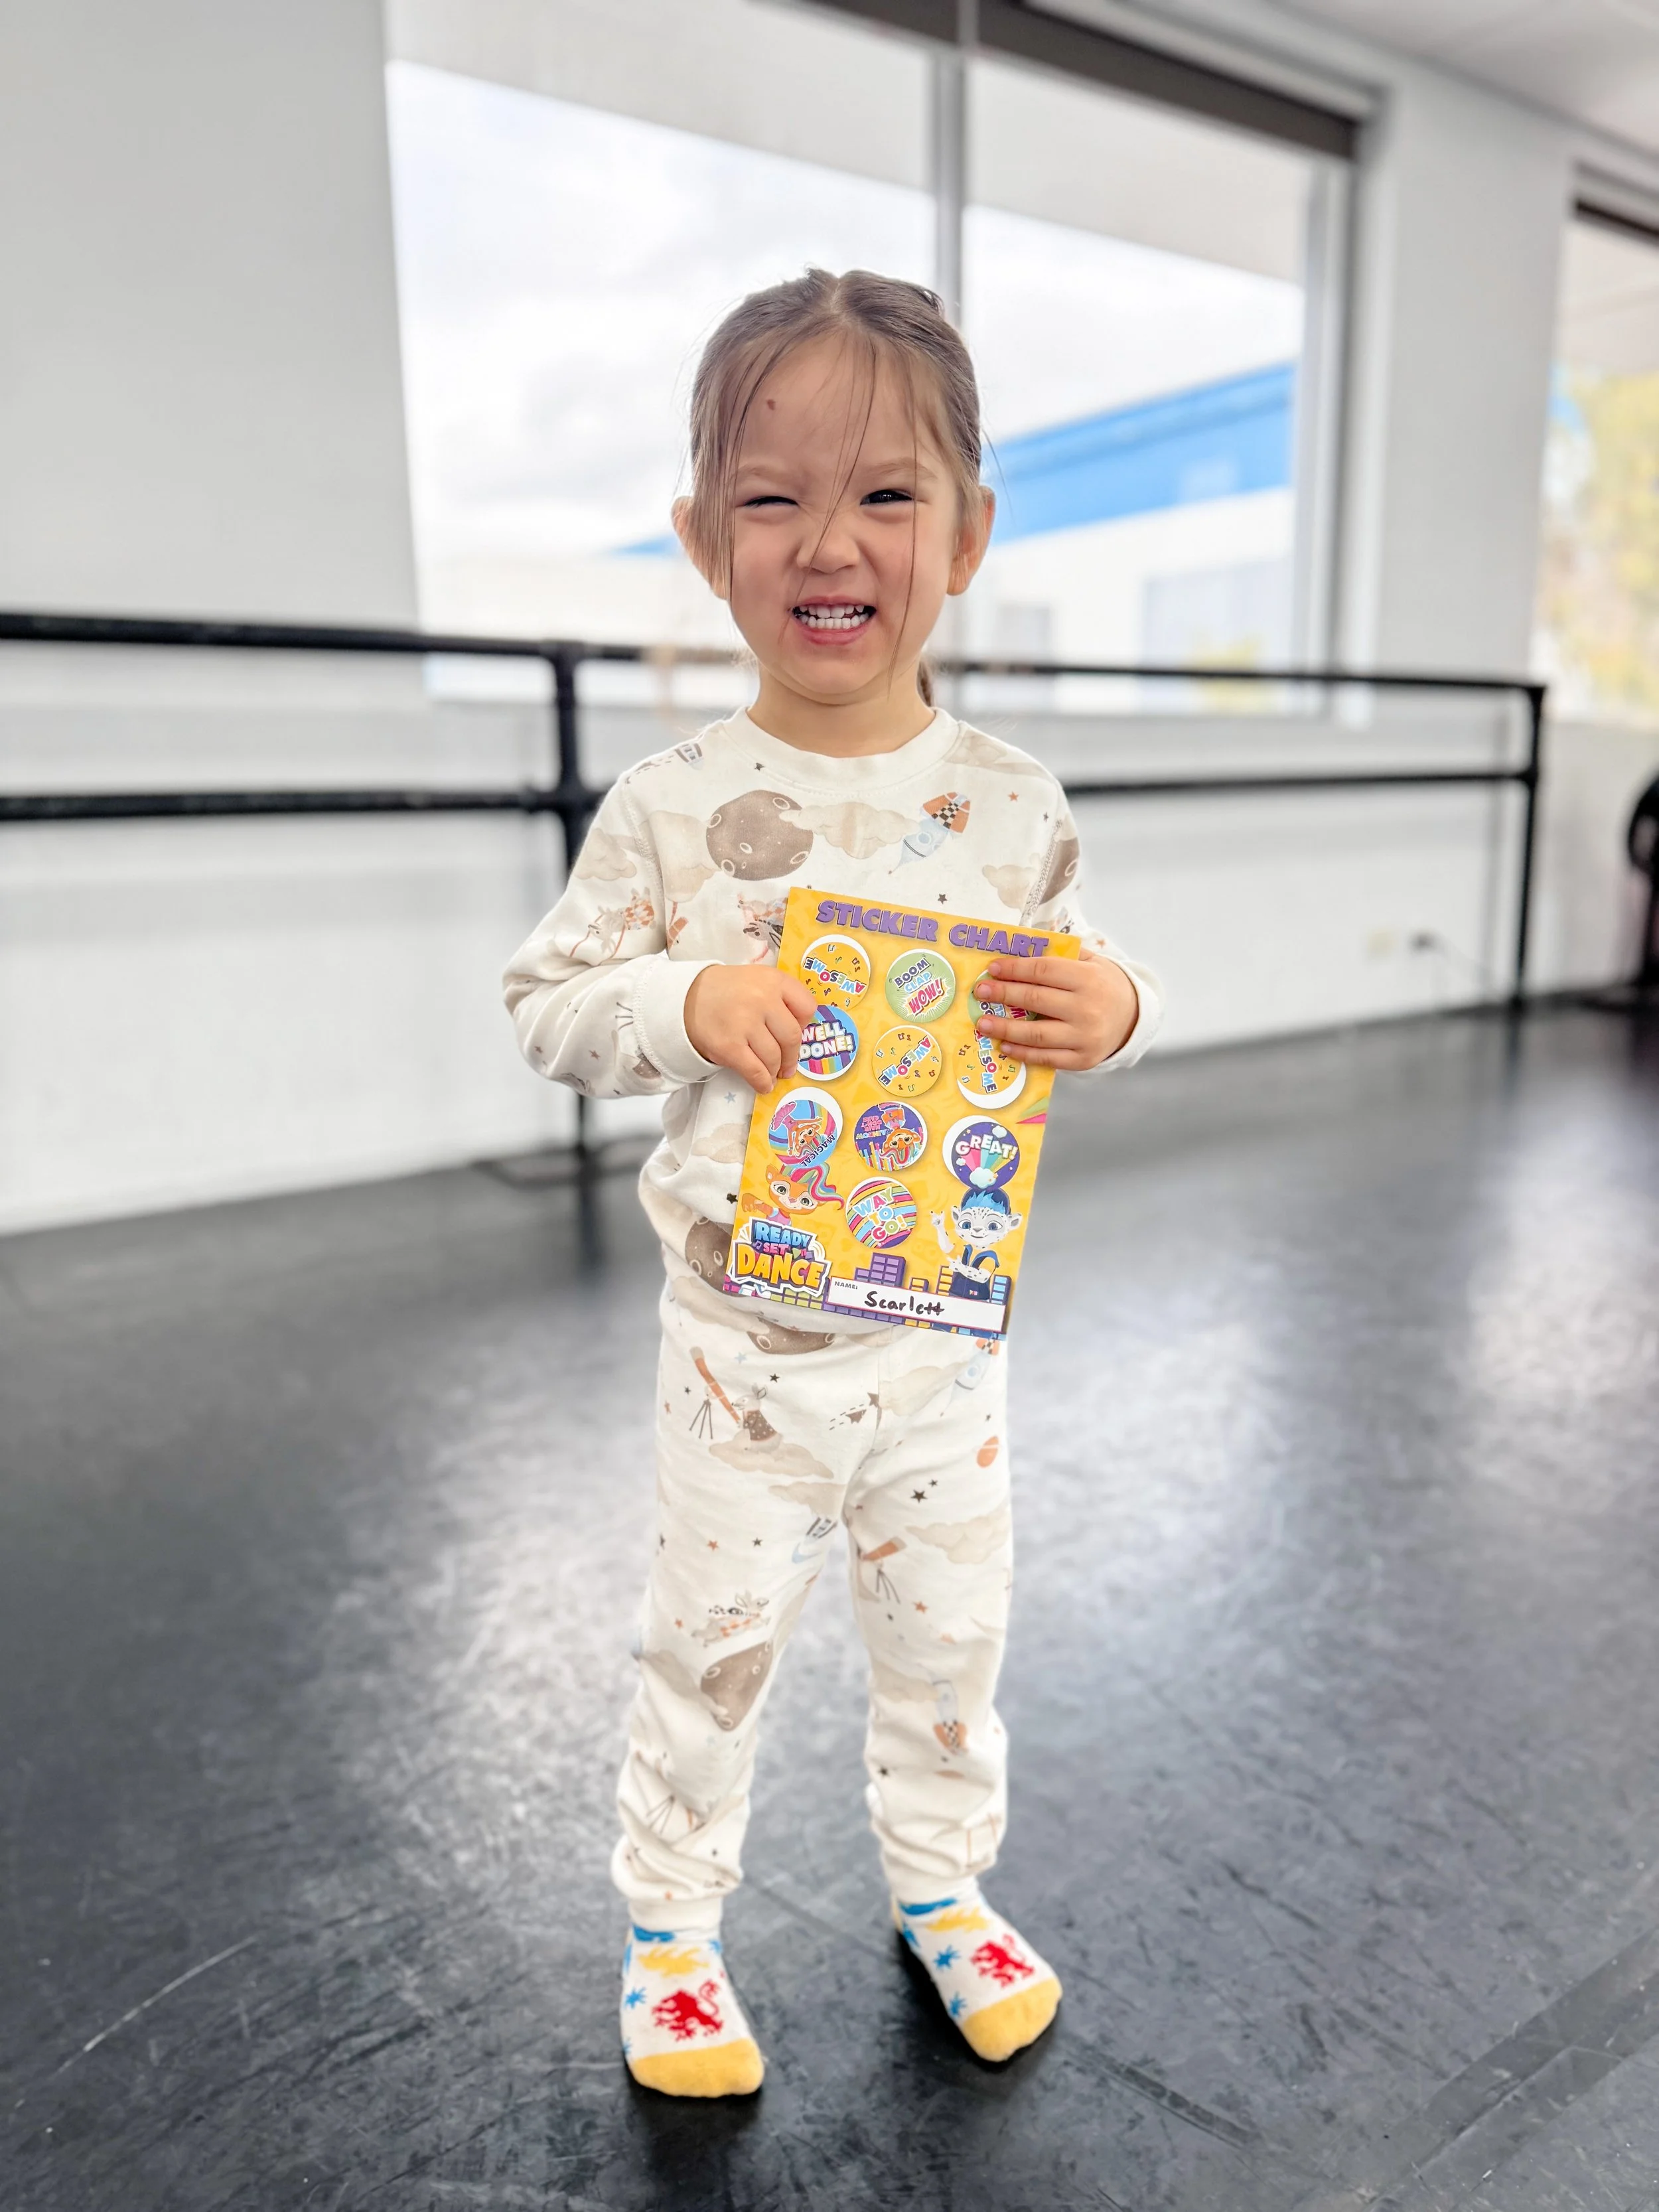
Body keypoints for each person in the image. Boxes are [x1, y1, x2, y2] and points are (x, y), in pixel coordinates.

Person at [504, 269, 1162, 2097]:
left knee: (951, 1642)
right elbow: (545, 1005)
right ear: (707, 539)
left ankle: (944, 1885)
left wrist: (1105, 1008)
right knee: (706, 1649)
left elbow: (1090, 978)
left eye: (885, 493)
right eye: (773, 496)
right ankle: (672, 1929)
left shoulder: (1012, 803)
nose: (830, 539)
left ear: (964, 532)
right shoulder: (666, 802)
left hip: (944, 1352)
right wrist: (687, 1000)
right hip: (741, 1355)